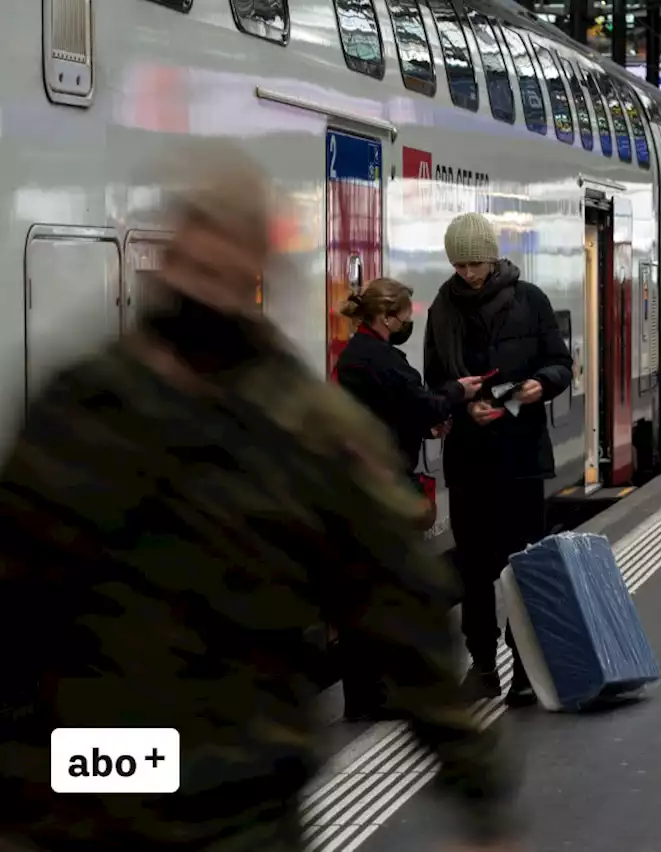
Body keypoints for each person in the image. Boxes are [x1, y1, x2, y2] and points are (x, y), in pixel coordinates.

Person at [0, 142, 521, 851]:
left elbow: (401, 613)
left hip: (196, 802)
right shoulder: (87, 407)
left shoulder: (301, 428)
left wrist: (474, 779)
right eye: (198, 245)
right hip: (126, 801)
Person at [424, 212, 573, 708]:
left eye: (476, 262)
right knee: (474, 568)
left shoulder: (531, 302)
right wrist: (462, 402)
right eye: (460, 263)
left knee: (522, 565)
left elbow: (560, 363)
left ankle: (527, 669)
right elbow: (434, 383)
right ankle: (483, 664)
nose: (468, 273)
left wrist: (539, 385)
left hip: (521, 456)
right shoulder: (442, 310)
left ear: (493, 257)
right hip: (469, 457)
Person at [333, 276, 485, 721]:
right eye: (404, 316)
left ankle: (365, 695)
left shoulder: (356, 357)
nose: (407, 323)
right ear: (385, 317)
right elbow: (423, 406)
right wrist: (458, 392)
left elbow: (390, 412)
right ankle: (374, 696)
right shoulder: (381, 360)